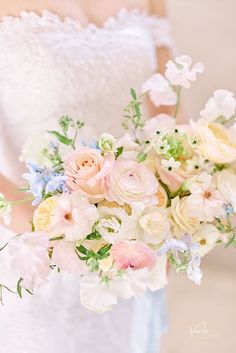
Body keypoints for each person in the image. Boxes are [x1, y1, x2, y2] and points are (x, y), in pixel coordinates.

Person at [0, 1, 173, 352]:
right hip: (32, 251)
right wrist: (42, 227)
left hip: (131, 245)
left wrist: (173, 209)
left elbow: (166, 108)